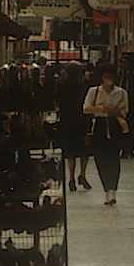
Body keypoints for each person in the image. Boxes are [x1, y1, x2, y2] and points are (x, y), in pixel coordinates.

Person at [83, 62, 129, 205]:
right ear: (101, 78)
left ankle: (113, 190)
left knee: (114, 158)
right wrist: (100, 108)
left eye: (111, 76)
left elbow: (125, 112)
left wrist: (116, 111)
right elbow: (85, 109)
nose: (108, 79)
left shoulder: (121, 92)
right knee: (100, 158)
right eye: (106, 76)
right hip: (99, 126)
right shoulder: (94, 91)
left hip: (114, 126)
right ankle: (106, 190)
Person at [56, 60, 92, 191]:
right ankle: (82, 174)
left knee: (70, 150)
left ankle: (71, 177)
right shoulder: (85, 86)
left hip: (67, 120)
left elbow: (58, 102)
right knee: (84, 149)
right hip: (82, 119)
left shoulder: (61, 86)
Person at [116, 53, 134, 157]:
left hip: (130, 105)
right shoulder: (118, 77)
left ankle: (129, 148)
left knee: (130, 127)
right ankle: (122, 147)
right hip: (119, 106)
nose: (124, 64)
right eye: (122, 62)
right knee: (120, 127)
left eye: (126, 62)